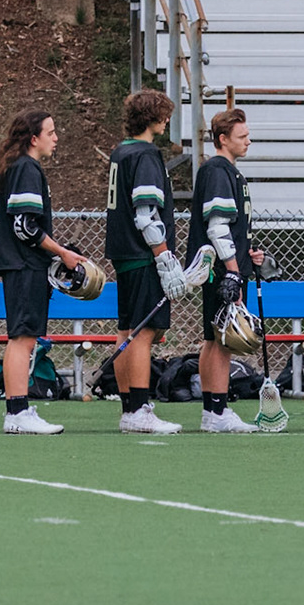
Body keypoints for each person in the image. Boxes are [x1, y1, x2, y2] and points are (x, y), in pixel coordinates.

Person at [0, 110, 86, 435]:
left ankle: (18, 410)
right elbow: (24, 226)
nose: (56, 138)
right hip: (23, 264)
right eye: (50, 132)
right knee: (22, 339)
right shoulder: (27, 168)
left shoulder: (22, 167)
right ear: (33, 138)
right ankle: (17, 412)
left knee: (23, 339)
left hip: (24, 264)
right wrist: (62, 253)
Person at [106, 89, 187, 435]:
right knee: (143, 332)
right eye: (163, 114)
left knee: (127, 331)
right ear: (151, 117)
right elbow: (146, 214)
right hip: (142, 254)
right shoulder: (145, 154)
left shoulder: (121, 151)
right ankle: (139, 408)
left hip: (124, 252)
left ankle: (129, 407)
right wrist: (164, 256)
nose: (166, 120)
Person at [190, 108, 264, 433]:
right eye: (242, 136)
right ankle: (217, 411)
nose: (248, 141)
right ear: (223, 139)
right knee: (222, 339)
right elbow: (217, 227)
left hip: (223, 265)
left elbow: (230, 229)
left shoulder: (227, 171)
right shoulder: (218, 170)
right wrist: (233, 270)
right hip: (221, 269)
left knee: (213, 338)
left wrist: (246, 252)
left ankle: (212, 411)